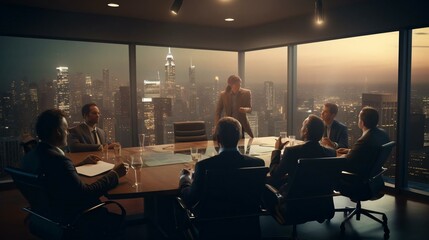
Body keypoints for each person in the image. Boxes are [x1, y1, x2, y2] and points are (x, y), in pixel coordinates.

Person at [21, 109, 128, 238]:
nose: (67, 132)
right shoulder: (59, 160)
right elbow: (86, 193)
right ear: (58, 132)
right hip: (74, 219)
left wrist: (79, 164)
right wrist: (114, 174)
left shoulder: (34, 155)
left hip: (46, 216)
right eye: (66, 129)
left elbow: (56, 175)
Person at [178, 117, 264, 239]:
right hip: (247, 228)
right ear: (239, 138)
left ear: (217, 139)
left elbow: (190, 199)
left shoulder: (204, 166)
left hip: (213, 230)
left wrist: (184, 179)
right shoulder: (257, 163)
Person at [269, 114, 336, 189]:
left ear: (305, 131)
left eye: (302, 126)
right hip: (323, 199)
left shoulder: (292, 152)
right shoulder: (331, 153)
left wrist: (277, 150)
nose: (301, 129)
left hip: (295, 199)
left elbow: (275, 174)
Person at [337, 106, 390, 177]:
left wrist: (338, 155)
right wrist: (350, 151)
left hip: (357, 178)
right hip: (371, 176)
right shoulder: (382, 133)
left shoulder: (365, 140)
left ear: (362, 122)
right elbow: (367, 152)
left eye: (359, 118)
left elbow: (347, 162)